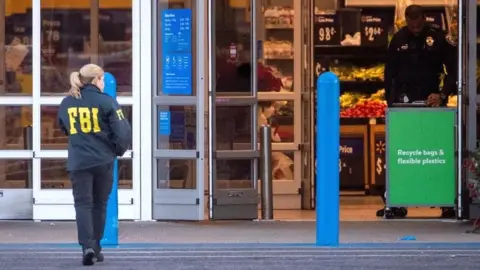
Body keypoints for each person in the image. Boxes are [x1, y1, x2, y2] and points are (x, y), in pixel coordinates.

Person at [378, 5, 457, 218]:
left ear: (424, 19)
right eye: (411, 25)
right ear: (406, 21)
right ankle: (396, 201)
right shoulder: (399, 39)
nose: (415, 28)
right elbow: (389, 73)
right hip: (403, 105)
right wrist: (390, 103)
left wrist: (442, 95)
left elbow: (454, 71)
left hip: (432, 103)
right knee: (402, 153)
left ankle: (446, 201)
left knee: (435, 152)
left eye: (418, 24)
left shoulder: (438, 38)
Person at [57, 64, 131, 265]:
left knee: (82, 204)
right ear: (97, 80)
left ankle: (86, 247)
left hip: (79, 162)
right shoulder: (107, 102)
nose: (103, 82)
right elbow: (123, 131)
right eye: (102, 79)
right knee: (99, 204)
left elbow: (64, 127)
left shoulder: (67, 102)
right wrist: (117, 150)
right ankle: (96, 247)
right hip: (103, 161)